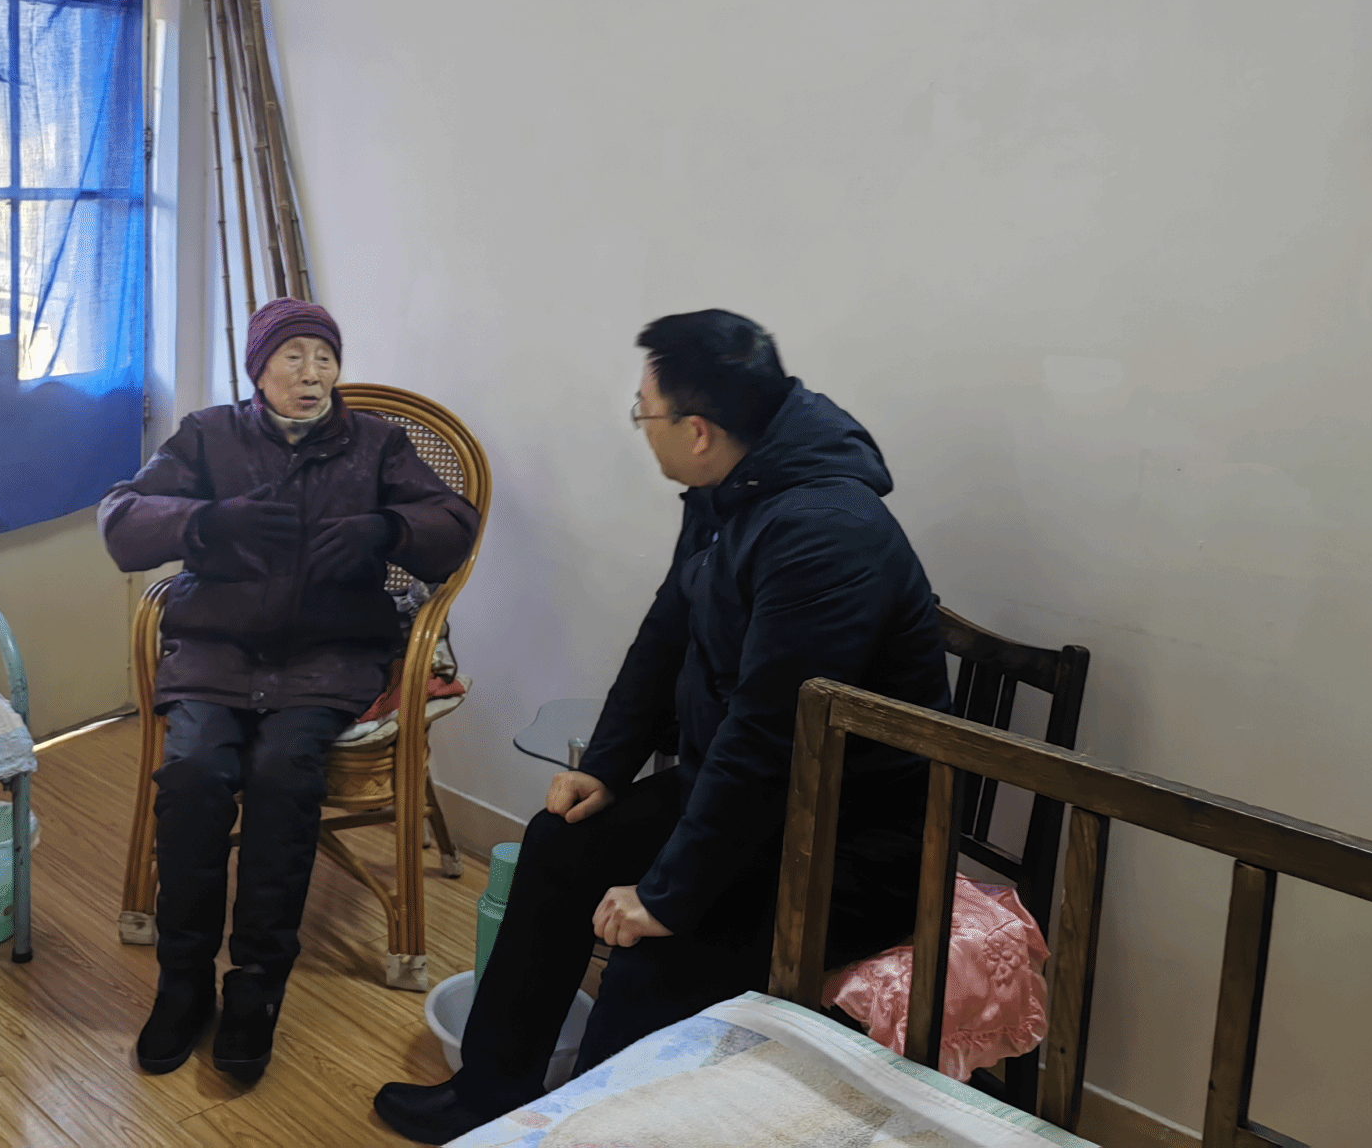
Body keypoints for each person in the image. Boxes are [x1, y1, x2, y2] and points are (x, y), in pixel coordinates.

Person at [373, 309, 951, 1143]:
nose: (641, 427)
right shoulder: (733, 488)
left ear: (698, 430)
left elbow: (768, 735)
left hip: (843, 841)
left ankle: (588, 1130)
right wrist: (605, 765)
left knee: (652, 954)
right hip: (754, 799)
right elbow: (666, 634)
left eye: (643, 413)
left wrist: (667, 895)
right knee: (559, 842)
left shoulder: (826, 533)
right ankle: (490, 1093)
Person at [98, 298, 480, 1084]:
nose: (312, 375)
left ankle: (256, 986)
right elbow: (122, 518)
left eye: (325, 358)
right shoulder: (210, 434)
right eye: (294, 357)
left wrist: (389, 529)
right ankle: (182, 982)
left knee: (283, 775)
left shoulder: (375, 443)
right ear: (259, 369)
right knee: (195, 774)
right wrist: (208, 522)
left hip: (327, 655)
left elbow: (453, 521)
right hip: (217, 650)